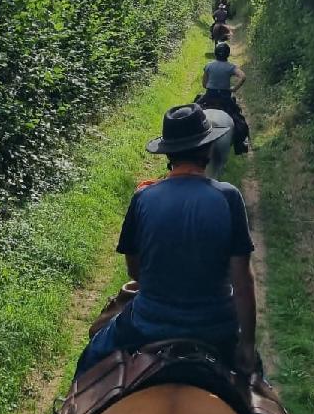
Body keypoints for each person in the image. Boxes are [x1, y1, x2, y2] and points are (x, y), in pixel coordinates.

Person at [74, 104, 257, 378]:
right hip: (216, 328)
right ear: (207, 149)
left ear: (168, 152)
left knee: (91, 357)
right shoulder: (229, 197)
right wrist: (247, 345)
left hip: (148, 324)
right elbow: (242, 281)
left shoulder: (143, 198)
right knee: (259, 394)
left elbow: (135, 272)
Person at [200, 42, 250, 154]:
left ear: (216, 53)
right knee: (239, 120)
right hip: (224, 98)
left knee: (194, 109)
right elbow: (243, 76)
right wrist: (234, 89)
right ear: (227, 54)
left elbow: (204, 84)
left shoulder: (208, 66)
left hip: (209, 97)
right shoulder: (230, 67)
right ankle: (241, 144)